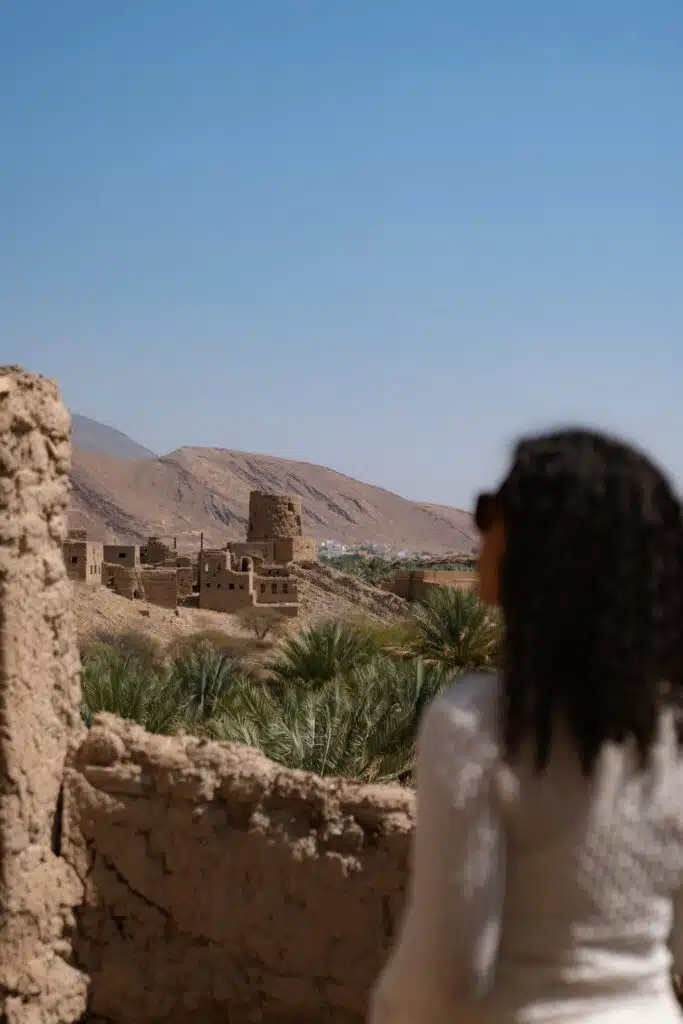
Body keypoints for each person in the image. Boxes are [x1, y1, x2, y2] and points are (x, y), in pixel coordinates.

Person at [368, 428, 683, 1024]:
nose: (479, 531)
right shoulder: (670, 730)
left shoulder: (478, 726)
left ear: (536, 547)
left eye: (492, 512)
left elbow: (442, 979)